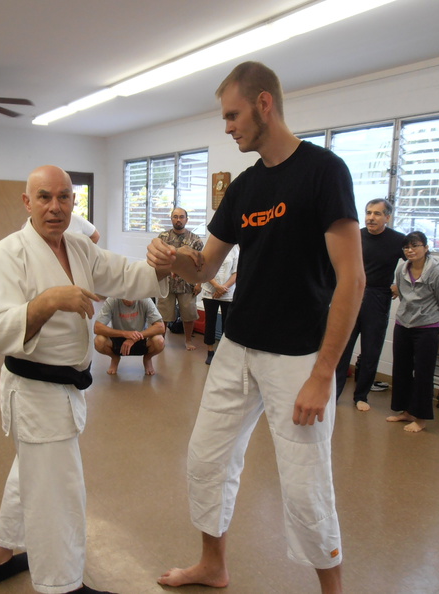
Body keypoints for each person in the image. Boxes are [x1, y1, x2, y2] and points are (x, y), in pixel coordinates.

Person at [146, 62, 364, 594]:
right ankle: (213, 565)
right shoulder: (244, 187)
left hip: (298, 357)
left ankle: (332, 589)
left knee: (305, 483)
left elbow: (352, 279)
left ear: (264, 103)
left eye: (232, 114)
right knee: (206, 458)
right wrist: (170, 258)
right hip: (237, 348)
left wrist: (324, 375)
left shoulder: (323, 171)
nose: (227, 127)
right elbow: (204, 270)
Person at [0, 165, 169, 594]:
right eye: (44, 197)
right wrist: (46, 302)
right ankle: (60, 585)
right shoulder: (6, 256)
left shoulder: (79, 248)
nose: (55, 206)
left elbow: (125, 274)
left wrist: (165, 263)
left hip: (64, 388)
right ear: (28, 202)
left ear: (73, 202)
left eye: (64, 197)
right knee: (57, 494)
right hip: (34, 390)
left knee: (29, 474)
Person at [334, 199, 405, 410]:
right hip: (351, 293)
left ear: (387, 218)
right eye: (368, 213)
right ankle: (334, 394)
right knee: (343, 347)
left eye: (376, 214)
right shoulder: (355, 236)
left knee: (371, 349)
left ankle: (361, 396)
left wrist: (399, 286)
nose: (371, 218)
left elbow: (418, 260)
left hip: (378, 296)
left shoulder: (398, 240)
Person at [387, 231, 439, 433]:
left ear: (425, 247)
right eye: (406, 247)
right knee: (401, 369)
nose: (410, 250)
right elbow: (402, 295)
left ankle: (421, 418)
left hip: (427, 329)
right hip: (403, 325)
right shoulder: (402, 269)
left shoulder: (436, 273)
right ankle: (407, 411)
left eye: (415, 246)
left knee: (423, 373)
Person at [157, 208, 203, 351]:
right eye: (175, 217)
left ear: (186, 219)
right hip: (166, 283)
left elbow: (201, 264)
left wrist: (199, 283)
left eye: (181, 217)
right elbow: (158, 260)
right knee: (164, 314)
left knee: (188, 315)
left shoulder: (195, 239)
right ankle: (161, 340)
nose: (178, 220)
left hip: (187, 285)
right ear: (171, 219)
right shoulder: (163, 238)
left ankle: (188, 340)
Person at [93, 297, 165, 375]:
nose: (129, 299)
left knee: (159, 341)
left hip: (141, 338)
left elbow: (160, 327)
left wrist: (134, 338)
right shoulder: (112, 300)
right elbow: (97, 328)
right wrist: (125, 333)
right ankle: (115, 357)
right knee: (99, 341)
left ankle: (147, 358)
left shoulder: (145, 299)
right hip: (118, 339)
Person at [201, 244, 238, 365]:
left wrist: (223, 288)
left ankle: (224, 353)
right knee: (210, 322)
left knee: (227, 324)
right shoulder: (209, 248)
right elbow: (204, 270)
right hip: (210, 292)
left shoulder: (235, 249)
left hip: (228, 293)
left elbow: (236, 273)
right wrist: (217, 287)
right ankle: (210, 352)